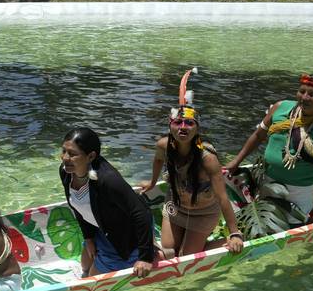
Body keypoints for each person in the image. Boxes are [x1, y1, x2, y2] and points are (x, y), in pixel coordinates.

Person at [227, 47, 313, 219]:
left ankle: (312, 206)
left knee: (284, 224)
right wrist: (236, 161)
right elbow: (258, 136)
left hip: (299, 192)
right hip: (267, 180)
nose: (304, 97)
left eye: (312, 94)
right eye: (302, 91)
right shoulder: (280, 107)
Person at [140, 69, 245, 258]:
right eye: (178, 122)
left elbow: (222, 197)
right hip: (175, 206)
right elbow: (157, 160)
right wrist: (153, 182)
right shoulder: (163, 146)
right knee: (170, 251)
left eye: (189, 123)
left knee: (186, 256)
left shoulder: (207, 158)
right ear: (169, 124)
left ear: (197, 129)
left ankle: (224, 242)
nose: (182, 128)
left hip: (203, 212)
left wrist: (234, 232)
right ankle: (194, 242)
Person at [58, 127, 156, 278]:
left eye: (72, 154)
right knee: (84, 265)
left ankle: (157, 253)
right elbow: (78, 208)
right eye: (64, 151)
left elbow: (141, 214)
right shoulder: (66, 172)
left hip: (126, 233)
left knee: (91, 281)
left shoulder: (108, 180)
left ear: (91, 156)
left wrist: (145, 258)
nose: (65, 158)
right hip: (103, 225)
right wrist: (88, 238)